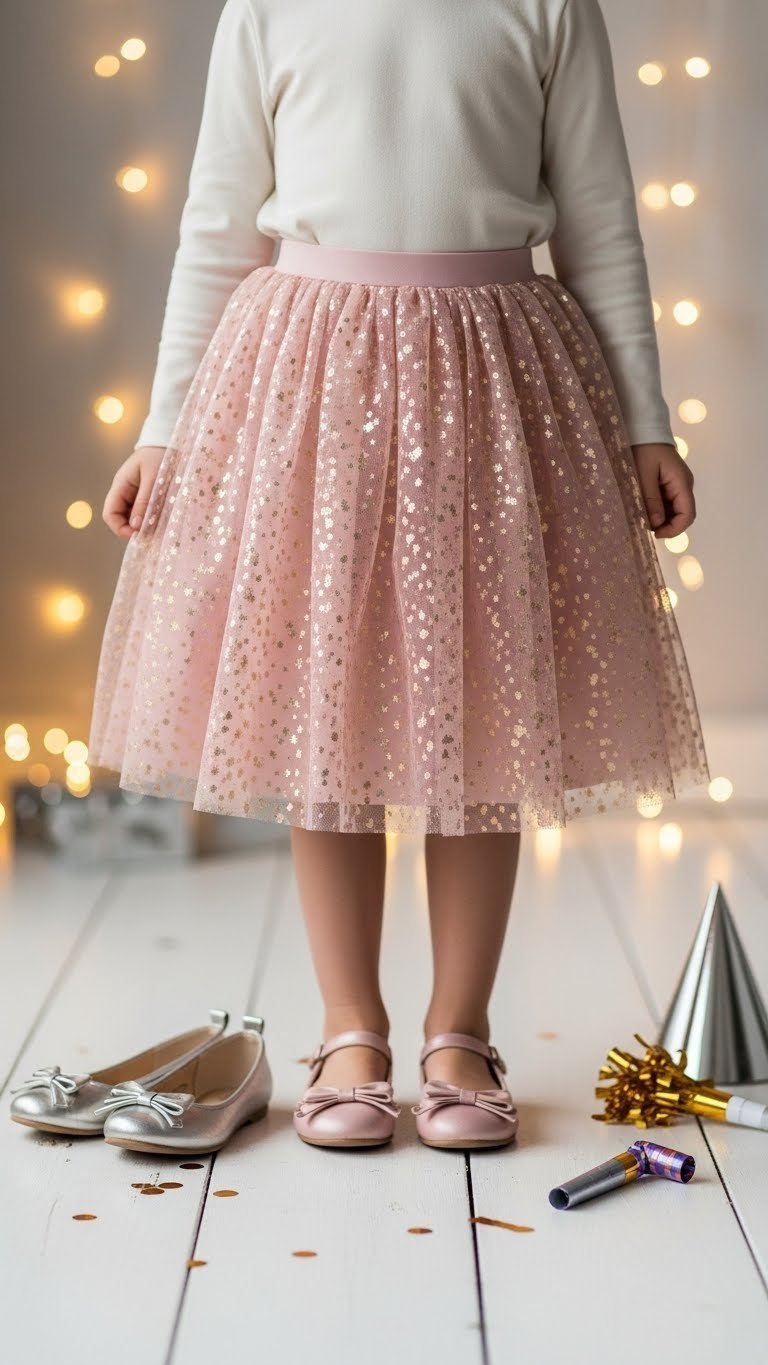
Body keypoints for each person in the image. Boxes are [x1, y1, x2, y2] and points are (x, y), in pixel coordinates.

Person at [88, 0, 710, 1151]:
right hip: (312, 377)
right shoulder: (268, 6)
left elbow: (602, 222)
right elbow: (216, 226)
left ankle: (459, 1033)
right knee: (329, 710)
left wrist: (644, 422)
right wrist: (165, 429)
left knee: (485, 710)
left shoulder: (550, 5)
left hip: (494, 373)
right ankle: (351, 1033)